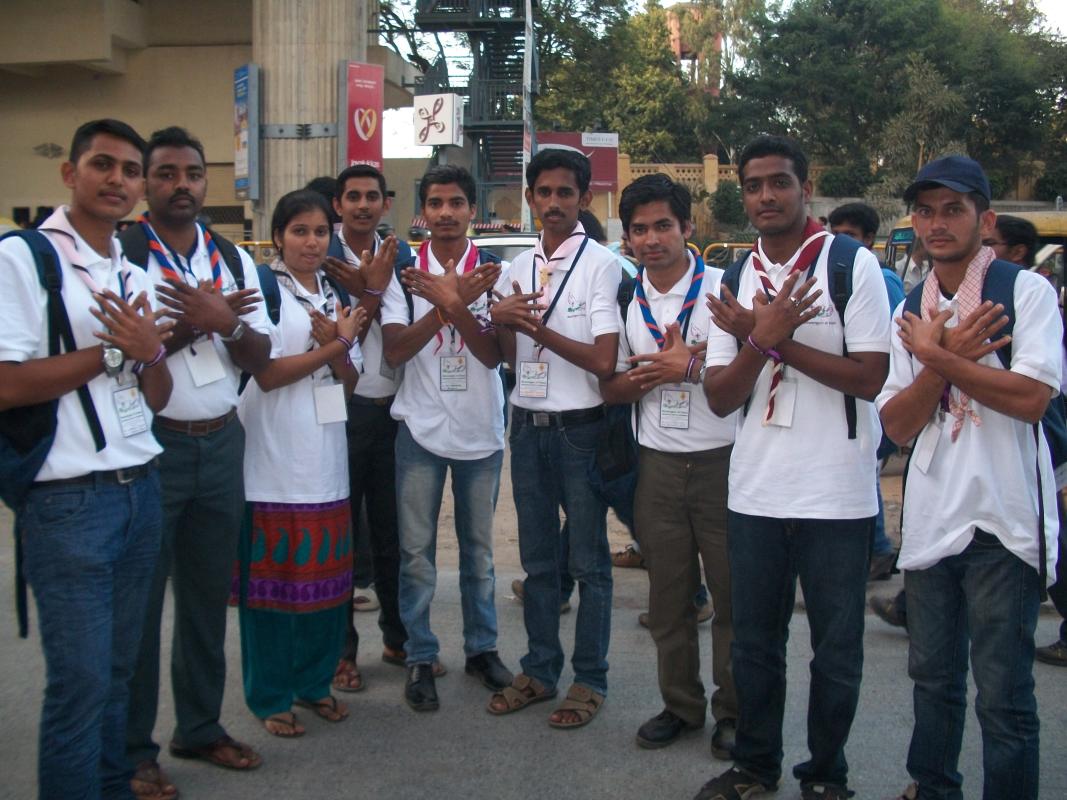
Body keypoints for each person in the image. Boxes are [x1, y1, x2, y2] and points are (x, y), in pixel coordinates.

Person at [696, 135, 890, 800]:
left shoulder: (848, 264)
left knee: (835, 652)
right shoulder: (729, 278)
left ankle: (825, 775)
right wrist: (758, 336)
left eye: (778, 182)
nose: (765, 196)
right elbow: (720, 396)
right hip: (754, 490)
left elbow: (868, 379)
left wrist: (775, 341)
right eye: (753, 186)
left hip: (835, 495)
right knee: (753, 646)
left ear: (805, 188)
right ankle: (754, 766)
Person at [0, 119, 174, 798]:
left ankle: (111, 784)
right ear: (70, 173)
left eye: (130, 170)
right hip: (67, 499)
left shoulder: (132, 271)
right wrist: (111, 352)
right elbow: (7, 383)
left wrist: (149, 351)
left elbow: (155, 393)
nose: (118, 180)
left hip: (140, 488)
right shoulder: (25, 259)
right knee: (80, 683)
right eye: (103, 164)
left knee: (122, 670)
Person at [877, 156, 1060, 800]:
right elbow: (897, 425)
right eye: (925, 210)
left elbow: (1033, 398)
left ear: (985, 219)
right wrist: (937, 360)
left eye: (952, 209)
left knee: (1004, 695)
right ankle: (932, 787)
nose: (936, 223)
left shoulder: (1023, 291)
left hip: (1002, 519)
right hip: (932, 517)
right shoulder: (910, 307)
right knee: (932, 678)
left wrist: (934, 356)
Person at [117, 126, 271, 798]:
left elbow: (259, 356)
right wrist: (197, 321)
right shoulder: (123, 256)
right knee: (141, 605)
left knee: (208, 597)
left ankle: (200, 727)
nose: (182, 185)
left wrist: (229, 322)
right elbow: (119, 354)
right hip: (152, 445)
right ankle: (131, 749)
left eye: (192, 174)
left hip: (222, 438)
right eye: (166, 174)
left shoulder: (232, 259)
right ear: (146, 184)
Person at [599, 174, 739, 756]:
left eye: (663, 226)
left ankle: (733, 712)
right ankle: (680, 706)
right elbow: (610, 387)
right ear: (628, 239)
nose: (651, 239)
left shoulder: (726, 292)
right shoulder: (627, 297)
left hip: (725, 461)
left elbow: (753, 376)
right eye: (639, 230)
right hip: (656, 464)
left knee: (733, 598)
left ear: (687, 228)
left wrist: (690, 369)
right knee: (669, 598)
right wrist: (643, 377)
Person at [487, 147, 621, 729]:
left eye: (565, 193)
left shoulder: (602, 264)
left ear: (584, 200)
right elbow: (501, 356)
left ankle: (589, 679)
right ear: (530, 198)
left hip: (580, 429)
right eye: (543, 193)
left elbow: (603, 360)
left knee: (589, 563)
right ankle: (540, 670)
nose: (553, 203)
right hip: (527, 424)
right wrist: (497, 320)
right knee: (539, 560)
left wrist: (531, 325)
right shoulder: (516, 268)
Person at [380, 164, 513, 712]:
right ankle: (420, 653)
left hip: (480, 431)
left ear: (472, 212)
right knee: (415, 555)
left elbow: (494, 355)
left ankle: (482, 649)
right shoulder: (403, 274)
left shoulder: (497, 272)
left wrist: (459, 303)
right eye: (435, 203)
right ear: (422, 213)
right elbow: (394, 350)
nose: (446, 213)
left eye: (457, 203)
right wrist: (447, 306)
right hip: (419, 428)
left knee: (479, 554)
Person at [234, 189, 366, 738]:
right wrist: (334, 346)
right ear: (278, 236)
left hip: (326, 460)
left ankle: (314, 685)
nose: (311, 242)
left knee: (326, 589)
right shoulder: (263, 294)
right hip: (271, 463)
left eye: (319, 232)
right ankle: (269, 697)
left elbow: (352, 381)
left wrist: (340, 345)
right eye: (299, 231)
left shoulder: (337, 293)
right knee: (271, 592)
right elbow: (266, 373)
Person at [318, 164, 414, 693]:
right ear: (338, 204)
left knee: (390, 533)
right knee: (341, 531)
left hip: (394, 409)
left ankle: (398, 636)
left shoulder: (402, 259)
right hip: (341, 408)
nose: (361, 205)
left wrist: (375, 287)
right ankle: (342, 651)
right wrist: (366, 292)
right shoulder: (321, 258)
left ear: (385, 203)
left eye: (371, 197)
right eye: (352, 196)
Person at [828, 201, 906, 581]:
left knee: (866, 470)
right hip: (844, 388)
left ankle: (876, 549)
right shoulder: (832, 273)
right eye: (835, 234)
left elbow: (882, 344)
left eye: (850, 236)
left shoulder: (879, 278)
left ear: (869, 240)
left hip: (872, 396)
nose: (841, 242)